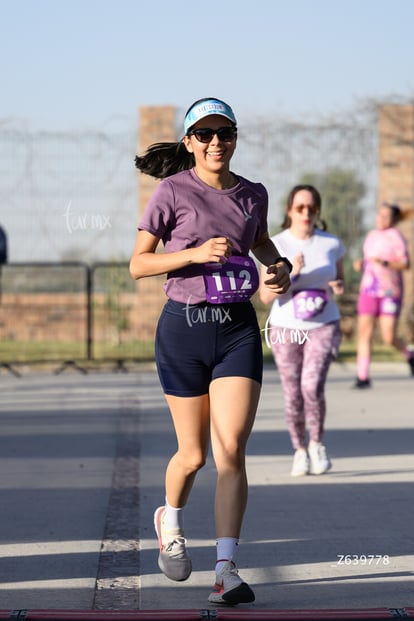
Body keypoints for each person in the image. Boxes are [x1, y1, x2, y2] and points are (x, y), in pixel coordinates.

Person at [129, 97, 291, 605]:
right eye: (205, 134)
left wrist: (279, 265)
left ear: (235, 138)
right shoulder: (171, 191)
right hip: (183, 330)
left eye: (225, 133)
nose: (216, 142)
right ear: (189, 142)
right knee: (194, 454)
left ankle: (226, 569)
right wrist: (195, 254)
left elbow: (261, 243)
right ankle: (170, 520)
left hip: (238, 329)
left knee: (230, 452)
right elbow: (138, 264)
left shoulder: (254, 194)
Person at [259, 184, 345, 477]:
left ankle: (317, 445)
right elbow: (265, 296)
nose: (306, 213)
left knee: (311, 385)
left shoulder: (331, 243)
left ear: (318, 210)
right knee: (292, 392)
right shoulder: (275, 244)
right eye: (300, 207)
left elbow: (340, 279)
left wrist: (338, 287)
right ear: (289, 211)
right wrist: (291, 271)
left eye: (311, 208)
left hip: (323, 324)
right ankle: (299, 450)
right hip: (286, 328)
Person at [353, 201, 414, 388]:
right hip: (368, 290)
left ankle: (409, 354)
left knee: (388, 337)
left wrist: (386, 263)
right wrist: (360, 264)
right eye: (379, 215)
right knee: (365, 333)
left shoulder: (396, 237)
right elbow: (368, 259)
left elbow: (405, 264)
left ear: (394, 219)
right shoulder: (371, 236)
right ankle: (363, 377)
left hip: (389, 292)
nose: (381, 219)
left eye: (386, 216)